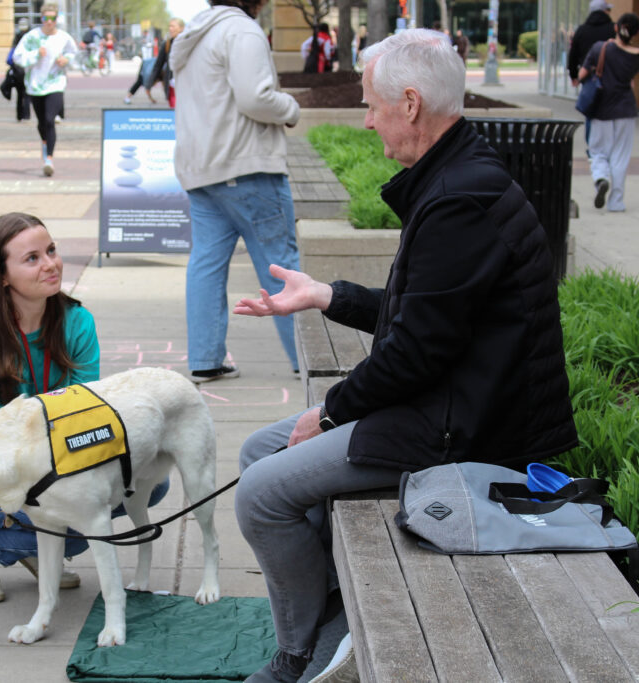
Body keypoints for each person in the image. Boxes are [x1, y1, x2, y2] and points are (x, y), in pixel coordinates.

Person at [231, 29, 578, 682]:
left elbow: (415, 350)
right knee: (258, 452)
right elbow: (421, 311)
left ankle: (299, 657)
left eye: (371, 105)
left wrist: (330, 412)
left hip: (465, 430)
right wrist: (327, 295)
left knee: (259, 494)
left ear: (410, 103)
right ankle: (326, 616)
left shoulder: (460, 197)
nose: (366, 121)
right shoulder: (456, 176)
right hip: (444, 403)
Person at [0, 212, 169, 603]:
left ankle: (31, 545)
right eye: (32, 258)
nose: (51, 264)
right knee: (73, 511)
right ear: (1, 275)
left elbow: (86, 416)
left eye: (51, 250)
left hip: (51, 465)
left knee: (149, 481)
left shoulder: (77, 322)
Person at [170, 0, 302, 383]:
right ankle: (305, 359)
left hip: (202, 170)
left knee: (206, 266)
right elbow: (255, 97)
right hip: (247, 165)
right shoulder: (241, 31)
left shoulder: (194, 36)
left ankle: (205, 359)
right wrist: (291, 108)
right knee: (280, 265)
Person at [580, 13, 639, 212]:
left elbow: (582, 74)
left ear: (616, 27)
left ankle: (600, 178)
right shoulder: (637, 54)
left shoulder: (600, 48)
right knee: (620, 156)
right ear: (635, 32)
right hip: (626, 109)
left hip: (602, 108)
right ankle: (616, 201)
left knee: (598, 151)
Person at [13, 4, 77, 177]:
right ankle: (44, 143)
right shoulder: (32, 37)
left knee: (50, 119)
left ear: (57, 20)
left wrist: (66, 59)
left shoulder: (64, 37)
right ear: (41, 19)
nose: (49, 22)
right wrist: (35, 54)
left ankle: (49, 158)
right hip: (35, 85)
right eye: (45, 18)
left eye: (53, 19)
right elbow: (17, 57)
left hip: (55, 83)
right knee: (42, 122)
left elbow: (74, 52)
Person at [567, 0, 616, 151]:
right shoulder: (612, 29)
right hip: (611, 76)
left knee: (591, 109)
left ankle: (591, 146)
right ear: (604, 11)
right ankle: (607, 145)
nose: (609, 12)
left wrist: (574, 75)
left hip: (589, 76)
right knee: (610, 111)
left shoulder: (582, 30)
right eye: (608, 9)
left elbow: (573, 54)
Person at [1, 17, 32, 121]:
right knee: (25, 93)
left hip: (20, 68)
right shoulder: (29, 36)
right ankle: (25, 115)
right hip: (23, 68)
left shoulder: (20, 36)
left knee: (21, 94)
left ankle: (21, 115)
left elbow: (12, 53)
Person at [149, 18, 184, 107]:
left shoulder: (187, 43)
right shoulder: (167, 44)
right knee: (174, 111)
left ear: (181, 28)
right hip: (171, 85)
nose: (170, 29)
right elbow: (158, 64)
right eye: (169, 26)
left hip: (185, 85)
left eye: (173, 26)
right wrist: (150, 82)